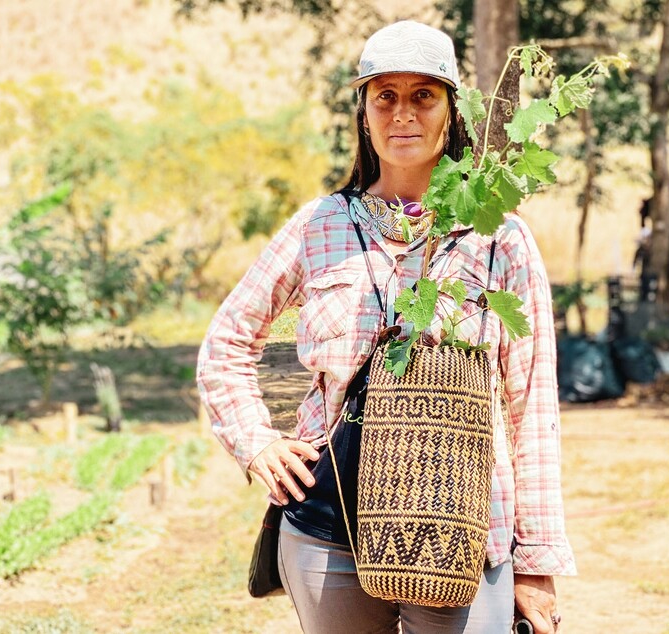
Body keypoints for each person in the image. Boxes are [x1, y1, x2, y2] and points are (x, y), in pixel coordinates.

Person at [197, 20, 576, 634]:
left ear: (452, 113)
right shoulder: (320, 224)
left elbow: (531, 404)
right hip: (326, 524)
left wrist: (535, 561)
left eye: (423, 95)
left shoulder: (497, 235)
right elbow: (226, 344)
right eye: (386, 96)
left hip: (463, 528)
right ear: (365, 113)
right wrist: (256, 443)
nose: (404, 113)